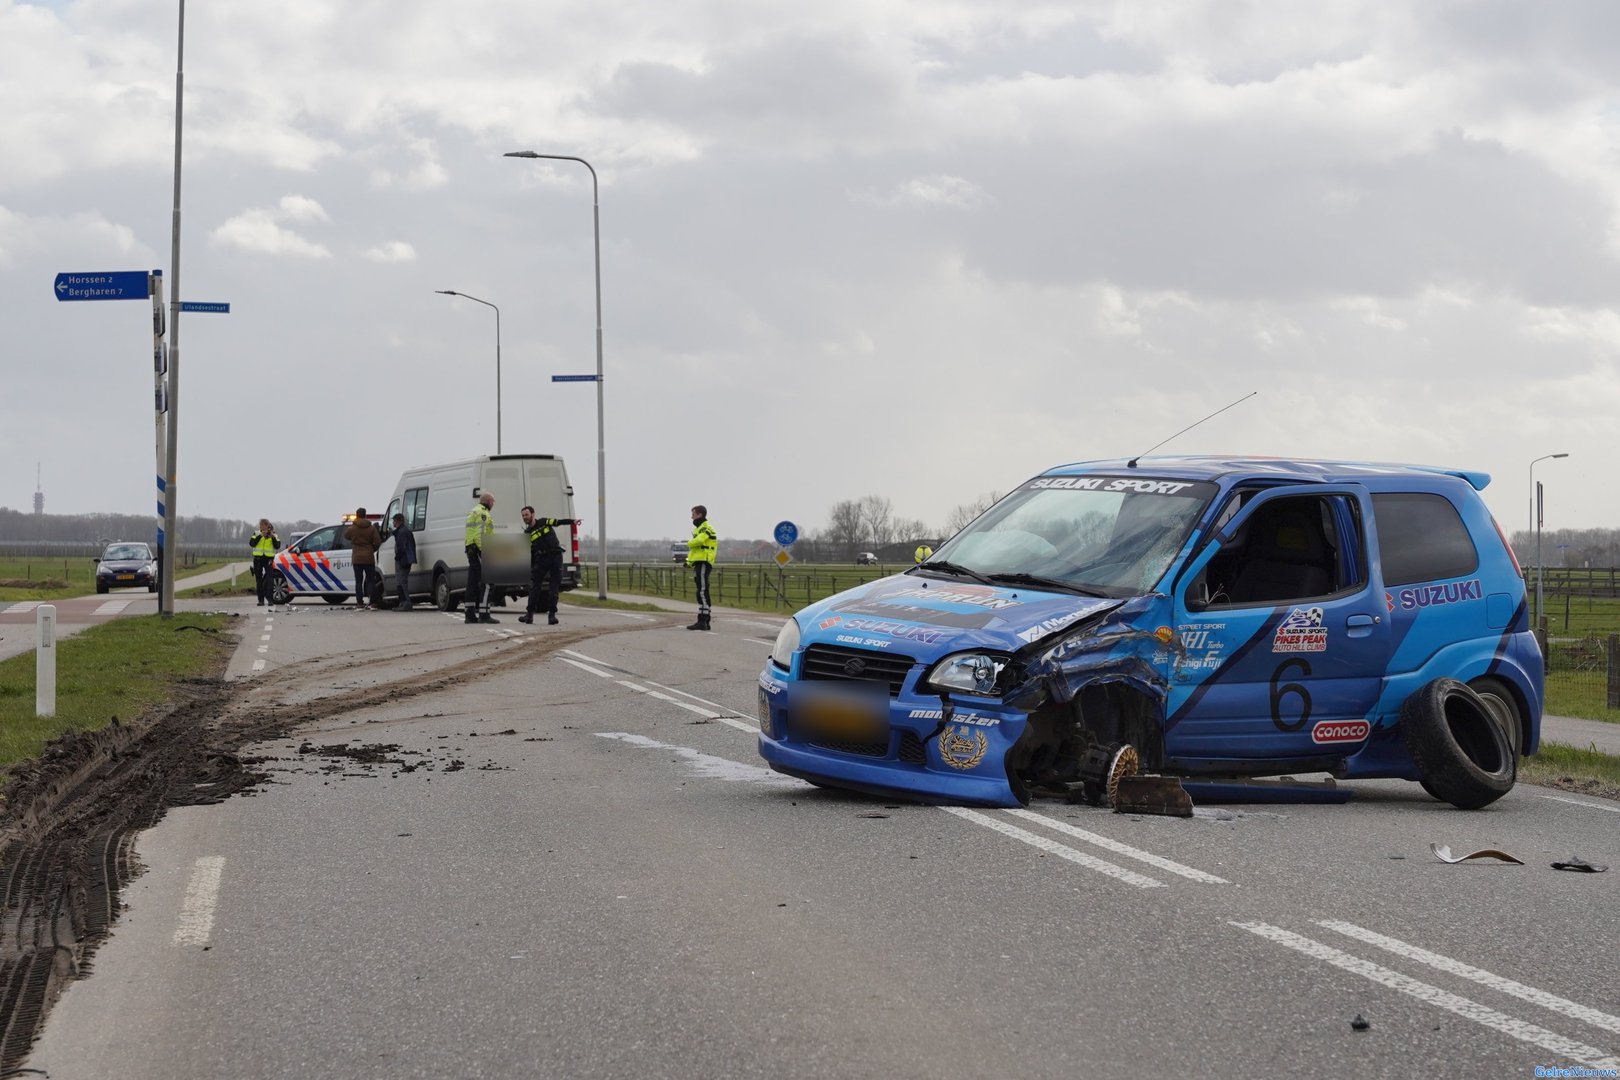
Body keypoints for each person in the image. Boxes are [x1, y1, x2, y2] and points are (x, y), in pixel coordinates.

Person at [519, 506, 577, 625]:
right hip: (541, 560)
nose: (525, 517)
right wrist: (531, 567)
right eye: (523, 515)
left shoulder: (544, 522)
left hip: (555, 557)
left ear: (533, 514)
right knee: (534, 587)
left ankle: (552, 616)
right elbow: (529, 552)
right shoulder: (527, 533)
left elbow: (558, 522)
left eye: (527, 515)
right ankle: (529, 615)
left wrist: (572, 522)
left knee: (554, 587)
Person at [464, 491, 498, 624]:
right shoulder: (483, 513)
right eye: (493, 502)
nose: (493, 504)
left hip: (470, 549)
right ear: (489, 502)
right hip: (478, 550)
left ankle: (470, 614)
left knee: (472, 582)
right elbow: (479, 534)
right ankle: (484, 614)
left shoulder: (474, 511)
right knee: (488, 582)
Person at [685, 504, 717, 631]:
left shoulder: (706, 528)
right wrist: (689, 562)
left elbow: (699, 542)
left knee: (702, 591)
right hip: (699, 562)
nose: (691, 517)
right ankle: (705, 620)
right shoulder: (699, 529)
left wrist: (688, 543)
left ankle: (702, 620)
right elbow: (696, 551)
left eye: (693, 514)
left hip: (704, 562)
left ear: (699, 514)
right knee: (701, 591)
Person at [344, 508, 383, 610]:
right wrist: (372, 549)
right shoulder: (371, 528)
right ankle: (373, 603)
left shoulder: (352, 528)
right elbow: (377, 541)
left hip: (357, 558)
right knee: (371, 581)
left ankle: (359, 603)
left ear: (357, 515)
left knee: (358, 581)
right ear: (365, 515)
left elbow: (346, 535)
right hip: (369, 557)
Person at [248, 519, 281, 607]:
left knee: (269, 579)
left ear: (267, 526)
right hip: (258, 559)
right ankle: (261, 600)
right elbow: (252, 544)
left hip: (268, 559)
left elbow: (277, 546)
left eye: (263, 525)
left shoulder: (273, 534)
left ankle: (270, 600)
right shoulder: (256, 533)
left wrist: (272, 537)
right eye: (260, 525)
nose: (261, 527)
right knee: (258, 579)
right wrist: (260, 536)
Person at [391, 512, 416, 610]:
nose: (393, 523)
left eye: (394, 521)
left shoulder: (402, 532)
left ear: (397, 521)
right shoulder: (404, 531)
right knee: (399, 581)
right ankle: (402, 602)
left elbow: (401, 547)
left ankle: (406, 603)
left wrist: (398, 557)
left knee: (402, 581)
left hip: (403, 560)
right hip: (405, 559)